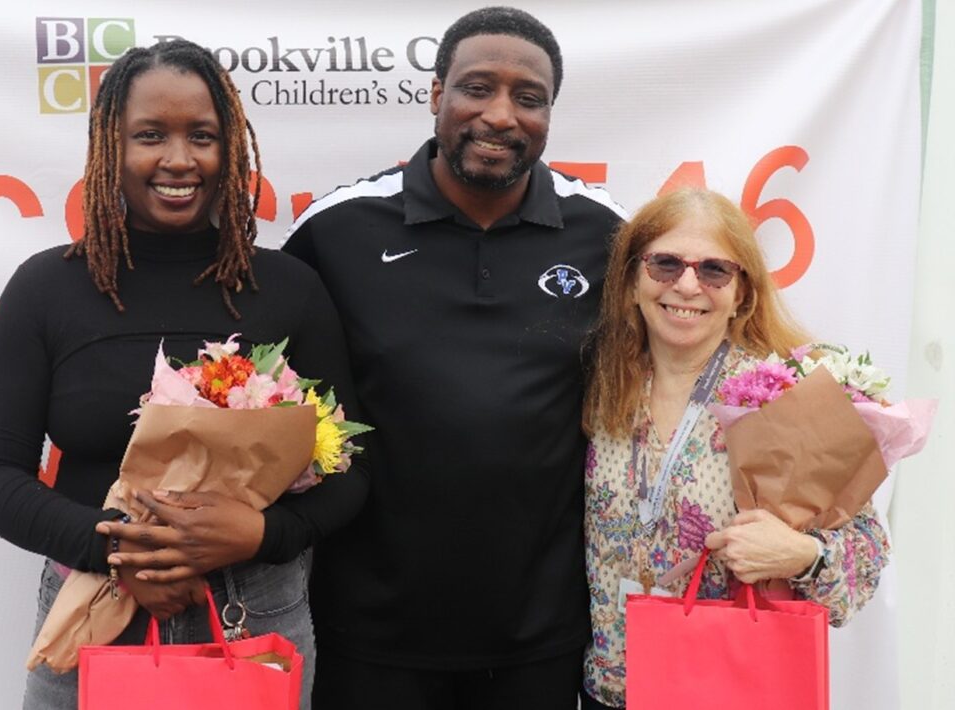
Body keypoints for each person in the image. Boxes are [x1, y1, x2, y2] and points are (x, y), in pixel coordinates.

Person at [0, 39, 367, 710]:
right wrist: (117, 554)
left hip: (253, 612)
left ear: (229, 149)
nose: (179, 160)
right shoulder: (45, 289)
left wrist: (265, 534)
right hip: (93, 605)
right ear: (109, 148)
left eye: (202, 136)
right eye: (150, 135)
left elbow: (354, 472)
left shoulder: (291, 289)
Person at [280, 7, 626, 709]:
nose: (500, 115)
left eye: (528, 98)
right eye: (476, 88)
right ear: (437, 95)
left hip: (543, 635)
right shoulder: (337, 230)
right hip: (370, 633)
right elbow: (270, 407)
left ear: (550, 114)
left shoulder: (608, 236)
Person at [579, 188, 890, 710]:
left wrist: (804, 555)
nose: (686, 285)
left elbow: (869, 553)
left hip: (728, 690)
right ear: (633, 281)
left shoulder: (779, 396)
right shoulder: (601, 385)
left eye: (714, 271)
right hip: (612, 690)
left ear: (741, 294)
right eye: (665, 264)